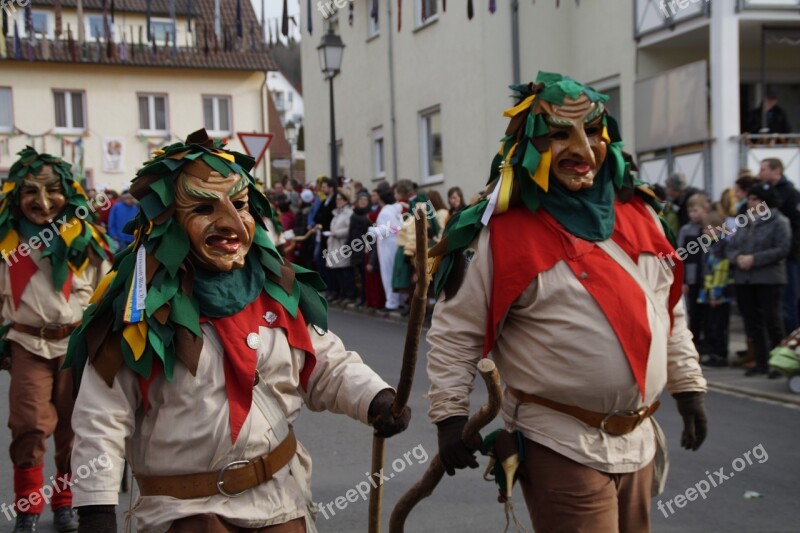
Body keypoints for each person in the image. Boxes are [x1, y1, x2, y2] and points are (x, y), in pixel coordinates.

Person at [65, 130, 410, 533]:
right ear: (168, 222)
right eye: (204, 208)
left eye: (240, 204)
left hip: (280, 502)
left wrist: (376, 398)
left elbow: (325, 364)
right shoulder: (136, 307)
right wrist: (96, 508)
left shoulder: (275, 289)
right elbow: (101, 417)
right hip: (183, 514)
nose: (232, 223)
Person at [426, 73, 707, 532]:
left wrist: (688, 387)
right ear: (530, 145)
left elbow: (667, 312)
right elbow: (456, 331)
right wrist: (450, 415)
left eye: (593, 131)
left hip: (637, 440)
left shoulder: (641, 215)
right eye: (560, 134)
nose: (581, 148)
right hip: (559, 439)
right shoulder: (497, 232)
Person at [0, 148, 113, 533]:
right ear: (17, 195)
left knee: (75, 428)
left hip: (75, 347)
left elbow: (106, 297)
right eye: (31, 191)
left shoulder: (89, 242)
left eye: (52, 191)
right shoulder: (6, 245)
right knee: (28, 425)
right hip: (28, 345)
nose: (43, 202)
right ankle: (28, 509)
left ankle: (65, 503)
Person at [727, 183, 791, 378]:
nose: (750, 202)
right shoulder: (744, 222)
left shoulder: (779, 221)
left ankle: (777, 362)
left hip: (768, 278)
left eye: (754, 199)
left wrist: (755, 259)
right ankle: (760, 362)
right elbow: (731, 246)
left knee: (772, 320)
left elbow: (782, 248)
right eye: (750, 198)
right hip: (745, 279)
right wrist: (737, 257)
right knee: (752, 322)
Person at [759, 158, 800, 333]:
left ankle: (793, 348)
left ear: (776, 171)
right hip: (770, 258)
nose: (760, 173)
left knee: (788, 303)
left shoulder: (790, 194)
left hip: (788, 258)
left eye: (763, 170)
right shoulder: (767, 192)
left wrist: (789, 250)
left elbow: (797, 226)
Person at [696, 211, 733, 367]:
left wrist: (715, 295)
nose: (704, 232)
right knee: (710, 325)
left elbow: (719, 272)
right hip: (709, 292)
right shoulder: (709, 245)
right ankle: (712, 352)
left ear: (717, 228)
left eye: (706, 228)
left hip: (719, 294)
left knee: (718, 326)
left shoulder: (721, 246)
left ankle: (719, 355)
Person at [677, 193, 711, 350]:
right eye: (690, 211)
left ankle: (709, 342)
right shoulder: (685, 230)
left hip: (708, 276)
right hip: (692, 277)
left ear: (705, 209)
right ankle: (694, 342)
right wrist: (682, 280)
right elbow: (680, 254)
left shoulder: (711, 227)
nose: (693, 214)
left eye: (696, 210)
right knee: (694, 312)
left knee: (708, 313)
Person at [325, 191, 356, 304]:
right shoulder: (337, 213)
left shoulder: (348, 213)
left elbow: (349, 229)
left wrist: (336, 233)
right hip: (334, 245)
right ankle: (340, 294)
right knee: (337, 272)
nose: (337, 201)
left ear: (345, 201)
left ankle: (349, 295)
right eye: (336, 199)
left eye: (340, 199)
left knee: (345, 272)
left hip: (343, 245)